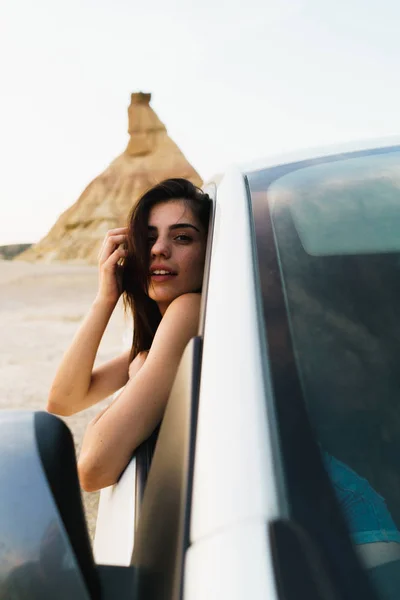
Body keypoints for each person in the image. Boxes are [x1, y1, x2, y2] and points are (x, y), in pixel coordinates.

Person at [47, 178, 211, 492]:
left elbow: (93, 470)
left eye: (182, 237)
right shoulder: (160, 336)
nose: (160, 249)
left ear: (209, 252)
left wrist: (137, 377)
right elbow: (64, 401)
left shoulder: (188, 311)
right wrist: (105, 299)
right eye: (147, 238)